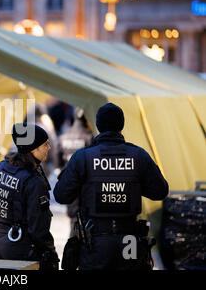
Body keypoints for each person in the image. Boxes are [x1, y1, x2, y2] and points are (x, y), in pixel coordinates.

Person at [54, 102, 169, 270]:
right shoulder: (138, 155)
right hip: (129, 242)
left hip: (95, 243)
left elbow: (61, 195)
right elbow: (160, 191)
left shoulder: (83, 157)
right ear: (121, 125)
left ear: (98, 125)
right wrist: (133, 184)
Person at [0, 123, 59, 270]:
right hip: (21, 248)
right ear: (33, 149)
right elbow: (38, 227)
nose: (49, 148)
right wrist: (50, 252)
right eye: (45, 144)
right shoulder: (33, 181)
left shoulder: (0, 168)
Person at [57, 109, 93, 237]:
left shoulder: (62, 138)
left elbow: (58, 163)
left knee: (73, 218)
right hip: (85, 185)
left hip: (68, 182)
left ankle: (73, 242)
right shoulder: (89, 138)